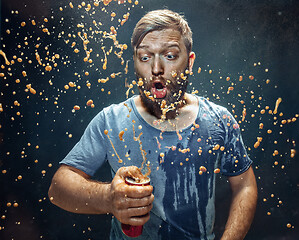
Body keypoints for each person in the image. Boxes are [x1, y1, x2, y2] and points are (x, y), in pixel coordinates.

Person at [48, 9, 257, 240]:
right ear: (135, 63)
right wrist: (107, 196)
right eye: (145, 57)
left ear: (189, 62)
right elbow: (58, 189)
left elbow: (245, 185)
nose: (156, 69)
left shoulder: (217, 120)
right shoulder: (112, 121)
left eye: (169, 56)